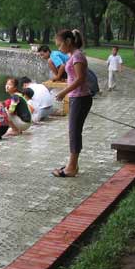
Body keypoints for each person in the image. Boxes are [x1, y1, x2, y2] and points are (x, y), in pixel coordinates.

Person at [53, 29, 92, 178]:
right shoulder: (73, 56)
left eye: (60, 44)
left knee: (74, 132)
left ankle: (71, 167)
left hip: (81, 98)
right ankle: (73, 164)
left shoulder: (78, 57)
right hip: (77, 97)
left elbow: (80, 79)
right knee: (73, 131)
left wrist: (63, 92)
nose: (59, 48)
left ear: (68, 42)